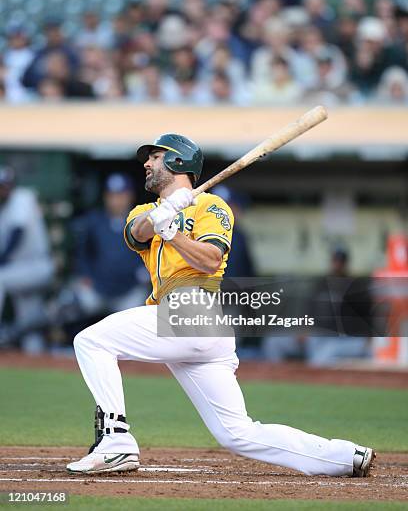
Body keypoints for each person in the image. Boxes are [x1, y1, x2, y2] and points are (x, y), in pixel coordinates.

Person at [67, 134, 374, 477]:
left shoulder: (211, 206)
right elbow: (136, 233)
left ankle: (116, 442)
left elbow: (211, 260)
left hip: (196, 311)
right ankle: (344, 456)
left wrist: (173, 234)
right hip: (181, 323)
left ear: (178, 162)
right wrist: (162, 216)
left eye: (154, 157)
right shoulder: (144, 211)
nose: (146, 164)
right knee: (237, 433)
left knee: (91, 341)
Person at [71, 173, 148, 315]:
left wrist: (143, 274)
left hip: (129, 290)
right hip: (98, 289)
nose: (116, 201)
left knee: (136, 314)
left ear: (130, 196)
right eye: (112, 196)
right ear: (105, 197)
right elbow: (82, 254)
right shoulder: (94, 221)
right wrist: (85, 275)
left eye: (121, 196)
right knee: (80, 301)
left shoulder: (141, 221)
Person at [0, 166, 54, 352]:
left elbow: (17, 233)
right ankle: (35, 361)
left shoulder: (22, 197)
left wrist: (2, 258)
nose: (3, 190)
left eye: (5, 185)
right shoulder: (4, 209)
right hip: (19, 271)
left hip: (37, 267)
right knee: (28, 325)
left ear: (11, 185)